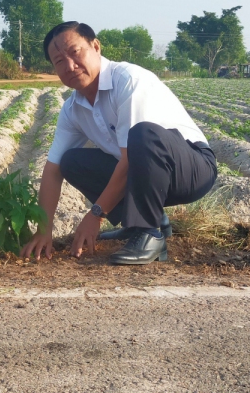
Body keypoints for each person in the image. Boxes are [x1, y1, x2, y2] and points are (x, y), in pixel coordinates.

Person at [20, 21, 218, 265]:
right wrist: (43, 231)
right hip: (145, 175)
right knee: (70, 161)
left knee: (142, 134)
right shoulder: (73, 109)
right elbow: (52, 170)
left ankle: (149, 233)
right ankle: (145, 224)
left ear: (96, 46)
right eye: (59, 62)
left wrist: (96, 214)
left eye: (75, 52)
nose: (70, 66)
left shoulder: (128, 80)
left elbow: (130, 158)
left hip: (192, 168)